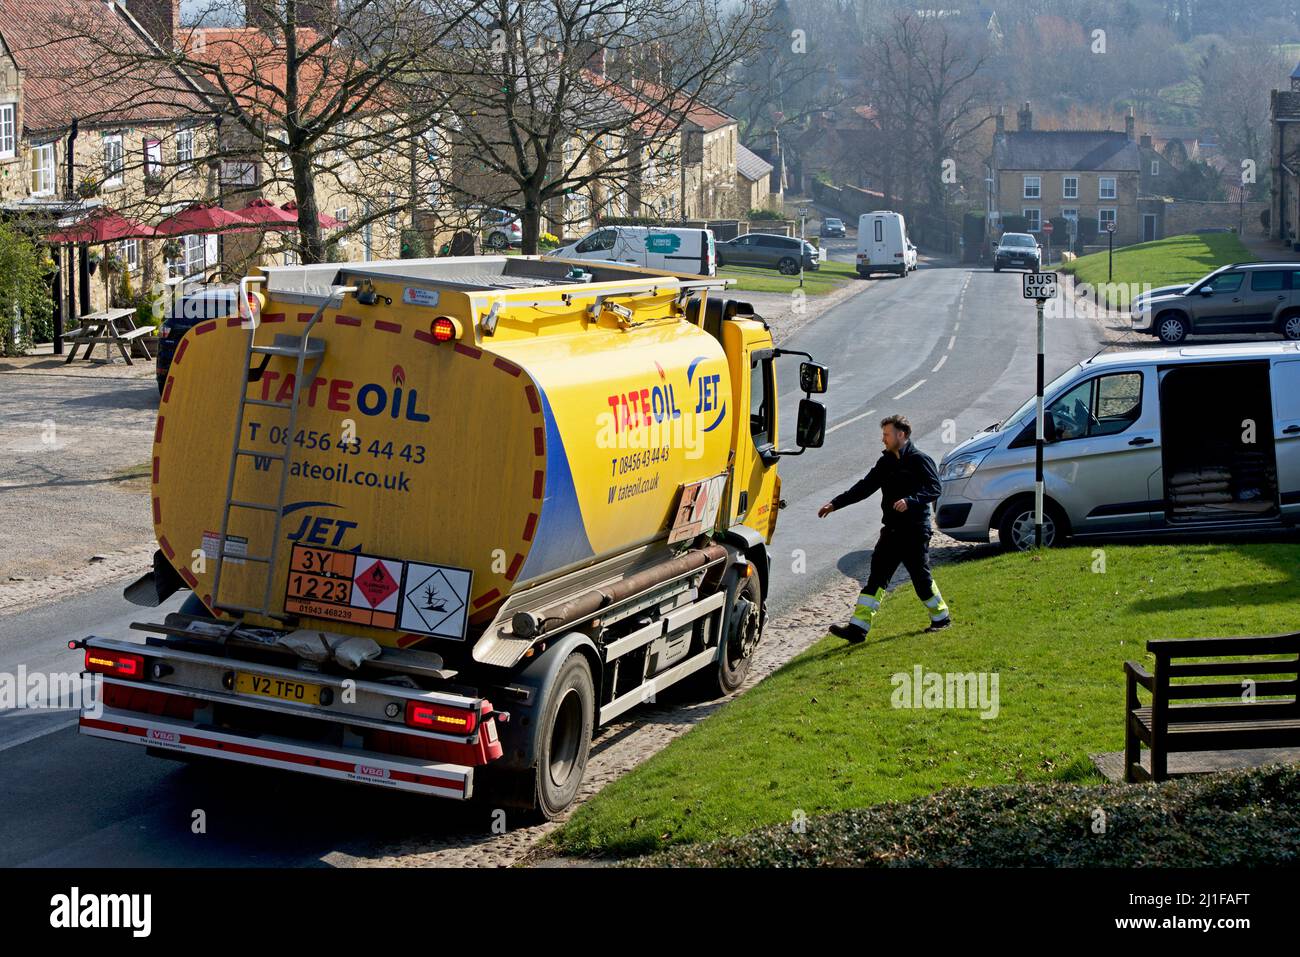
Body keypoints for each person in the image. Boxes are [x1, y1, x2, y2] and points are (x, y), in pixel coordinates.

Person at [817, 414, 950, 641]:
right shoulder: (885, 462)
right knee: (876, 579)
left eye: (887, 434)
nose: (883, 439)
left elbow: (934, 488)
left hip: (915, 531)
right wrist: (835, 503)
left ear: (902, 434)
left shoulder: (920, 460)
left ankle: (941, 618)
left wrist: (911, 500)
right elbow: (865, 487)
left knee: (920, 577)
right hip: (891, 531)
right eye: (883, 435)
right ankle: (858, 629)